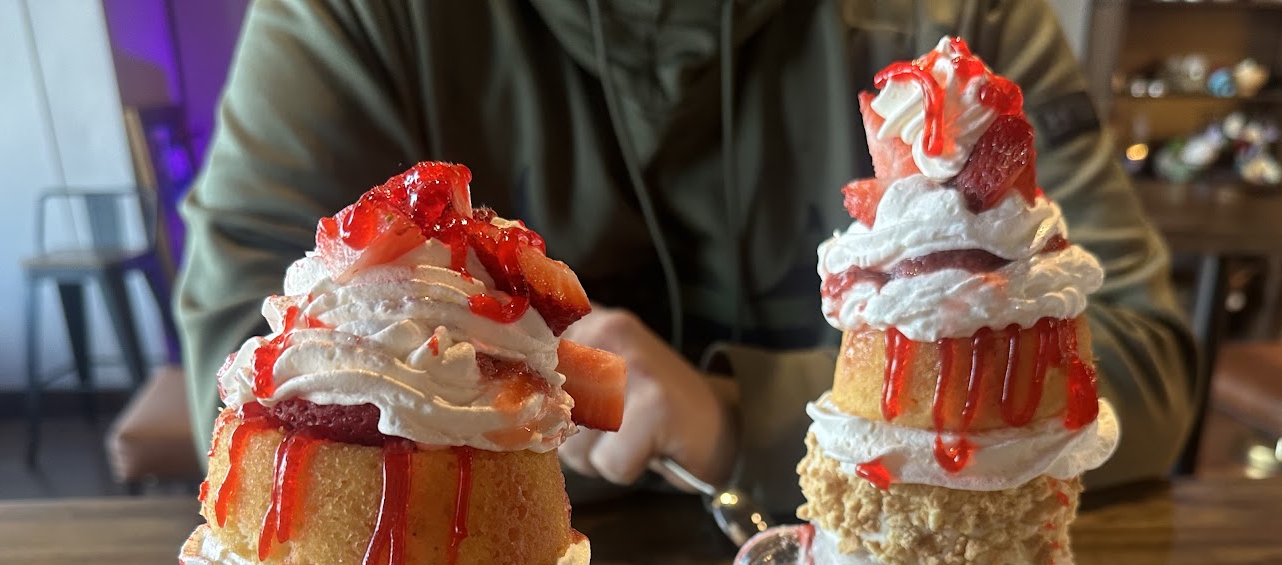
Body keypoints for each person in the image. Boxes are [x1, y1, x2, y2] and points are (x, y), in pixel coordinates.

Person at [177, 0, 1196, 516]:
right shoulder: (359, 18)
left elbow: (1141, 361)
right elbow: (242, 384)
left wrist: (736, 421)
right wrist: (536, 382)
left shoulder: (958, 19)